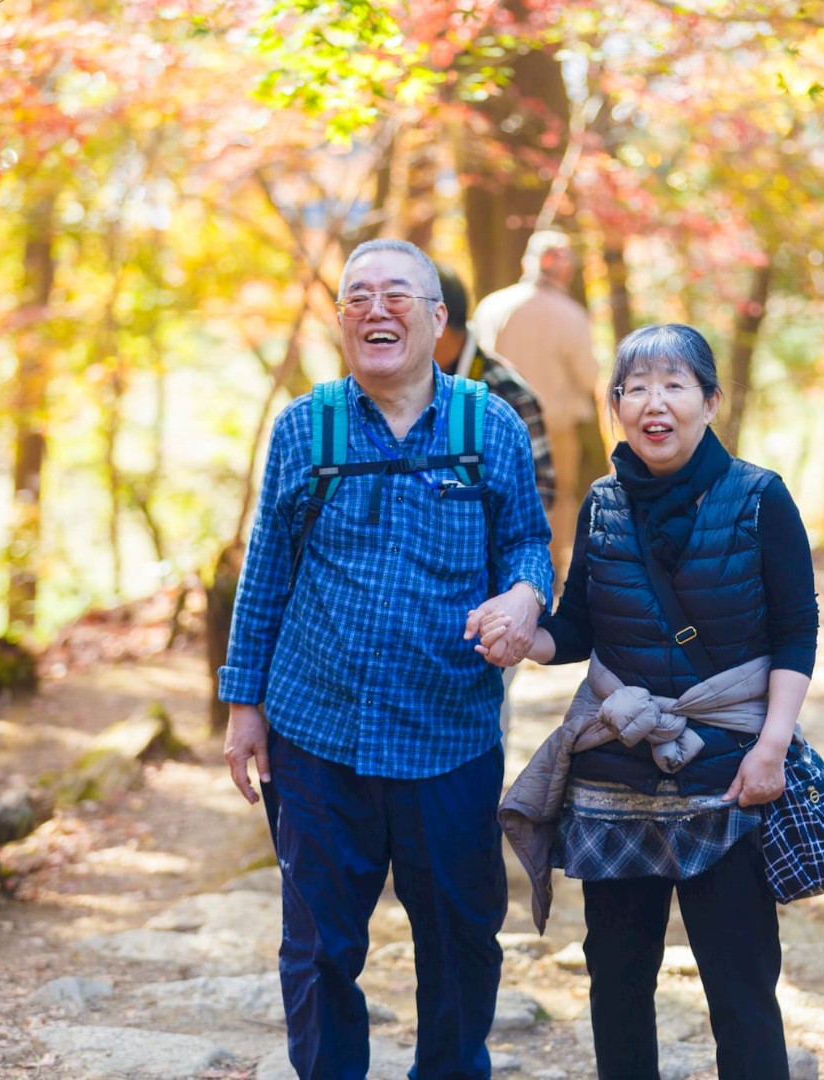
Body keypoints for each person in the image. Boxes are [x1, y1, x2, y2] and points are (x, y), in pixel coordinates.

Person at [218, 239, 553, 1080]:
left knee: (462, 938)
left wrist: (523, 595)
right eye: (356, 296)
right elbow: (265, 574)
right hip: (317, 730)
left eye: (397, 294)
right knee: (320, 948)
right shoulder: (306, 427)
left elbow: (526, 541)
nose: (376, 309)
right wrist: (243, 705)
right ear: (340, 321)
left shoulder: (490, 424)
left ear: (438, 319)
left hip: (449, 732)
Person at [489, 324, 819, 1080]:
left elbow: (796, 631)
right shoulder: (603, 503)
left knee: (740, 988)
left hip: (726, 777)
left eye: (673, 385)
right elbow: (574, 626)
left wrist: (771, 747)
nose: (652, 403)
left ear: (708, 400)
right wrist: (523, 639)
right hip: (618, 780)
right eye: (634, 389)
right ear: (614, 406)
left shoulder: (760, 498)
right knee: (616, 983)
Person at [434, 262, 556, 736]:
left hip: (489, 595)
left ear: (439, 319)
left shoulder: (503, 390)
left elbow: (540, 495)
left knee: (483, 722)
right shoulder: (394, 387)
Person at [472, 230, 601, 587]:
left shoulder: (492, 307)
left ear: (526, 262)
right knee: (554, 504)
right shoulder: (570, 315)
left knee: (492, 500)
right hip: (553, 429)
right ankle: (548, 583)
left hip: (489, 428)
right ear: (564, 270)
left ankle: (493, 577)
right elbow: (589, 375)